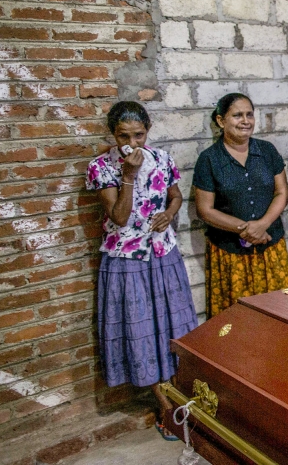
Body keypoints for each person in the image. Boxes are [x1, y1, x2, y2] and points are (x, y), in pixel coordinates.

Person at [86, 101, 197, 439]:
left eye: (139, 135)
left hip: (164, 254)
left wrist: (169, 212)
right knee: (141, 333)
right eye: (123, 136)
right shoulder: (101, 167)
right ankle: (165, 408)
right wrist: (129, 177)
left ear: (148, 129)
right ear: (112, 133)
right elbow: (118, 217)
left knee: (174, 327)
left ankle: (185, 398)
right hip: (126, 261)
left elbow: (175, 196)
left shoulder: (162, 159)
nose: (131, 144)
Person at [193, 93, 288, 317]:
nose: (245, 121)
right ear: (221, 121)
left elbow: (281, 192)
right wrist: (246, 229)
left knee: (280, 316)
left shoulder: (267, 151)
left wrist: (263, 224)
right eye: (237, 115)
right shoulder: (209, 159)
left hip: (270, 248)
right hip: (230, 254)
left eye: (249, 114)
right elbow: (205, 210)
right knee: (238, 321)